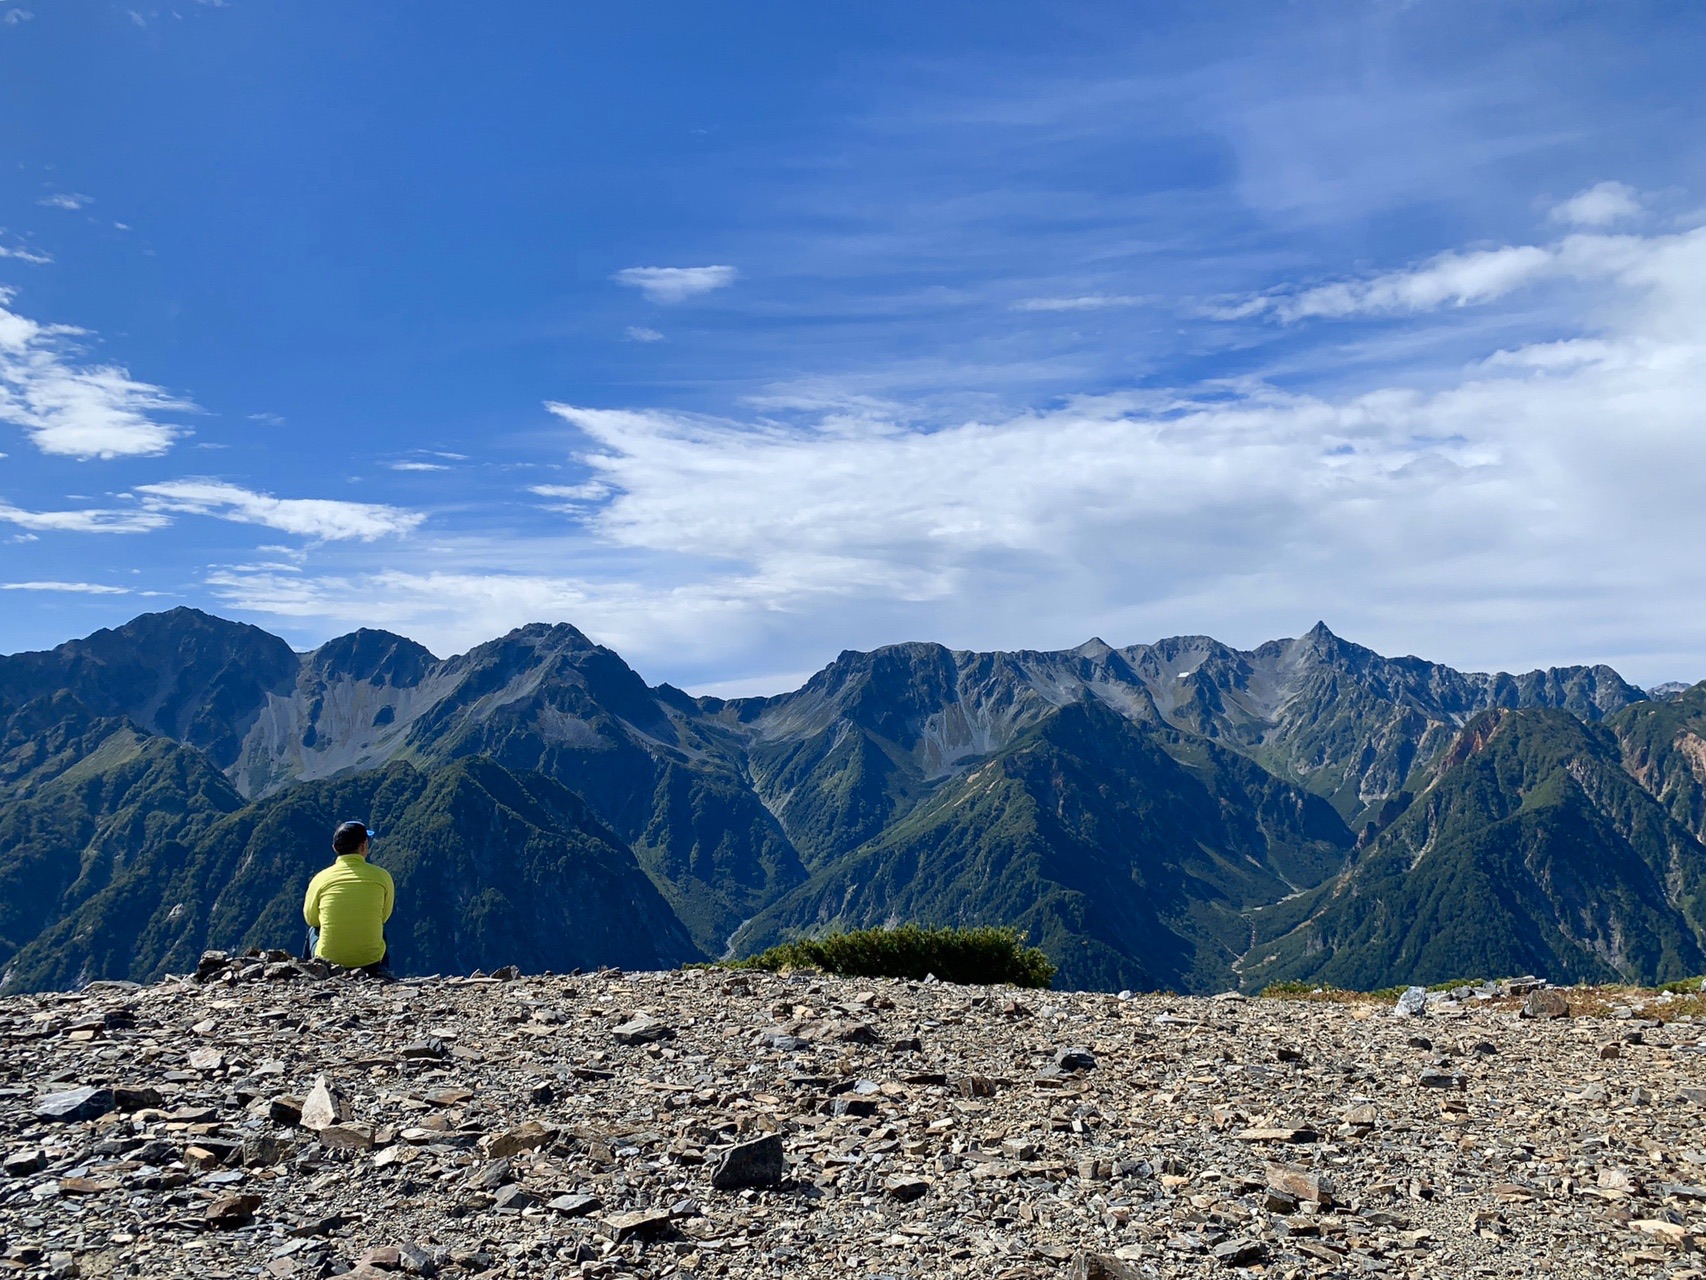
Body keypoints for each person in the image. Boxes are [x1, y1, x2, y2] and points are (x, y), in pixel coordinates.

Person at [303, 820, 395, 976]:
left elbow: (311, 919)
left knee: (314, 929)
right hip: (369, 962)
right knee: (379, 927)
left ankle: (310, 975)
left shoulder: (320, 879)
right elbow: (384, 916)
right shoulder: (382, 876)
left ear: (334, 848)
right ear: (364, 846)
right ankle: (381, 974)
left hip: (329, 960)